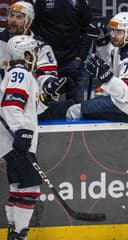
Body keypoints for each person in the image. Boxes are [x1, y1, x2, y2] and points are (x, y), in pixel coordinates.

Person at [66, 12, 128, 123]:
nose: (113, 35)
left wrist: (106, 76)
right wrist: (102, 41)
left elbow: (126, 94)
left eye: (118, 32)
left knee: (73, 111)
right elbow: (112, 63)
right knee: (97, 98)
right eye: (112, 30)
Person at [0, 1, 73, 120]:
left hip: (30, 104)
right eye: (11, 15)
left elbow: (45, 75)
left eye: (19, 17)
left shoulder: (42, 47)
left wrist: (51, 84)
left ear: (28, 21)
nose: (13, 20)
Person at [0, 35, 42, 240]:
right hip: (14, 140)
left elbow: (27, 107)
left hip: (9, 142)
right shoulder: (20, 73)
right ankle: (19, 236)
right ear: (26, 54)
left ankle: (13, 232)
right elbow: (10, 106)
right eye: (33, 52)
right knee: (31, 186)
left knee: (17, 187)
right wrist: (23, 133)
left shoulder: (14, 73)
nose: (35, 56)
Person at [32, 0, 94, 104]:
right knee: (45, 108)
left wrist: (80, 56)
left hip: (72, 61)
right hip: (47, 64)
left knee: (76, 108)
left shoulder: (79, 2)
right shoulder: (40, 1)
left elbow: (88, 29)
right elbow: (33, 27)